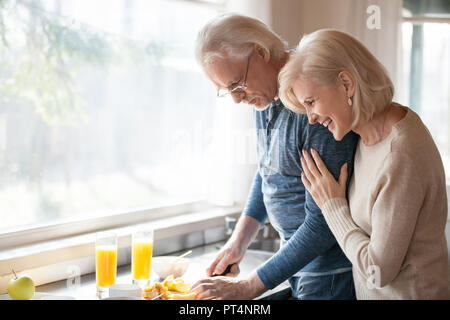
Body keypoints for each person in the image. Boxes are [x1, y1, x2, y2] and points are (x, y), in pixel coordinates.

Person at [189, 13, 359, 300]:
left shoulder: (315, 106)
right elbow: (270, 171)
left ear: (260, 53)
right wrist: (238, 242)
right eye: (225, 91)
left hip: (329, 276)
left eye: (236, 84)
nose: (236, 99)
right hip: (296, 267)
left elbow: (324, 224)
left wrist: (247, 287)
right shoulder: (266, 96)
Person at [278, 29, 449, 299]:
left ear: (346, 84)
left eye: (311, 102)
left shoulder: (401, 154)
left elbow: (377, 270)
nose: (310, 118)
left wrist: (332, 207)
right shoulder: (364, 136)